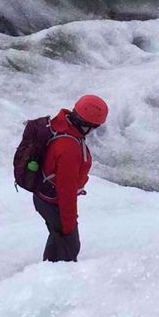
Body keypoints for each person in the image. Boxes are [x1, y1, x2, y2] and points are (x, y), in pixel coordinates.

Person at [30, 95, 107, 263]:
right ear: (86, 125)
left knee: (57, 237)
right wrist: (69, 225)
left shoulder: (61, 124)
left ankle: (45, 270)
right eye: (95, 127)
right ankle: (55, 281)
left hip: (43, 196)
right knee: (69, 246)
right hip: (53, 201)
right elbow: (66, 191)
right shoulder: (69, 148)